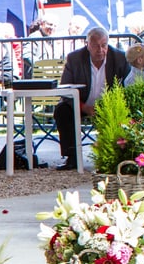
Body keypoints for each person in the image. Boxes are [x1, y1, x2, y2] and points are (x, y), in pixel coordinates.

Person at [54, 27, 131, 169]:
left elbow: (128, 88)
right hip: (81, 104)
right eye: (95, 46)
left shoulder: (120, 58)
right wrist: (84, 107)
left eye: (104, 45)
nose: (100, 50)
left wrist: (110, 105)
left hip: (110, 105)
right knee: (61, 110)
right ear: (87, 44)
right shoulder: (74, 58)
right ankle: (72, 157)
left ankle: (117, 156)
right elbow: (65, 90)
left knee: (125, 111)